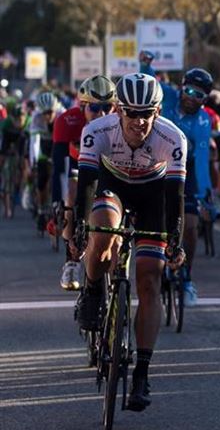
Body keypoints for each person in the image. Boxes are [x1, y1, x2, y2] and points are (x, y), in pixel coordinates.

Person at [70, 73, 187, 411]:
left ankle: (142, 372)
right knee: (103, 230)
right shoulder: (97, 131)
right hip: (113, 187)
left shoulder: (172, 137)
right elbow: (86, 187)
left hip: (154, 194)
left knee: (150, 278)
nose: (139, 121)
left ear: (158, 110)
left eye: (146, 113)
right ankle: (93, 291)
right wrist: (80, 228)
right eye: (131, 113)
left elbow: (175, 197)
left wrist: (175, 241)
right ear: (118, 109)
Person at [54, 75, 117, 290]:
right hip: (77, 170)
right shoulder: (66, 121)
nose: (102, 114)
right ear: (82, 106)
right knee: (71, 189)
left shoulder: (121, 121)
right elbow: (59, 167)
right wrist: (58, 202)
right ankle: (71, 261)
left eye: (108, 107)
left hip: (109, 172)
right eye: (95, 107)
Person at [160, 68, 215, 306]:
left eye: (199, 95)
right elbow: (149, 80)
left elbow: (202, 159)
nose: (192, 97)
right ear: (181, 88)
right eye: (189, 91)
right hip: (159, 164)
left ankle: (186, 278)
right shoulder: (168, 96)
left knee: (191, 227)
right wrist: (145, 64)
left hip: (187, 168)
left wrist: (204, 196)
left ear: (206, 100)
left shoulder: (204, 120)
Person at [29, 91, 64, 230]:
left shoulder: (62, 114)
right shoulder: (36, 117)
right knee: (42, 178)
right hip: (43, 145)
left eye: (50, 112)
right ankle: (41, 209)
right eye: (45, 113)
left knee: (61, 171)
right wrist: (34, 162)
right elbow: (34, 143)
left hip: (57, 143)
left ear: (55, 109)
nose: (47, 116)